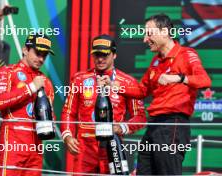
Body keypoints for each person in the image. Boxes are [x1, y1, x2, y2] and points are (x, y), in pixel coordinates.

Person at [118, 14, 211, 175]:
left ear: (165, 32)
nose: (145, 39)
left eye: (149, 33)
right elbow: (141, 91)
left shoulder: (186, 54)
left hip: (173, 124)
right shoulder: (156, 61)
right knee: (143, 171)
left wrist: (178, 77)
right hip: (154, 124)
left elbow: (205, 80)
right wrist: (116, 86)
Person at [61, 34, 146, 174]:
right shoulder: (79, 79)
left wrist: (122, 127)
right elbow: (69, 111)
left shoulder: (128, 82)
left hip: (112, 147)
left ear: (114, 55)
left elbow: (140, 117)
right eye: (96, 54)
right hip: (85, 148)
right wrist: (67, 135)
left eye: (105, 55)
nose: (100, 59)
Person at [0, 33, 55, 176]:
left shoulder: (46, 82)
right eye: (38, 53)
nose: (41, 59)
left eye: (45, 55)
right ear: (25, 50)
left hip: (36, 147)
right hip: (13, 144)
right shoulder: (6, 72)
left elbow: (50, 116)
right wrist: (30, 88)